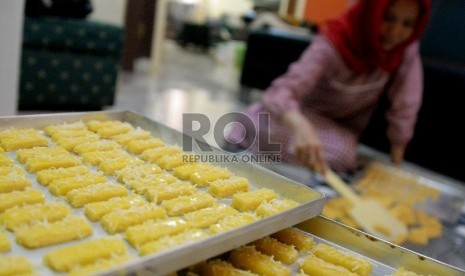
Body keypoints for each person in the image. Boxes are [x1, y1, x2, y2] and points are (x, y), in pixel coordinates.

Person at [227, 0, 431, 175]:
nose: (395, 32)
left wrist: (396, 165)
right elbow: (279, 93)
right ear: (372, 14)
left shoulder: (405, 51)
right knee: (253, 123)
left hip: (338, 133)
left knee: (343, 154)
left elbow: (406, 105)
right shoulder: (334, 40)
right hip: (296, 119)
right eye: (389, 18)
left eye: (407, 24)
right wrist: (301, 127)